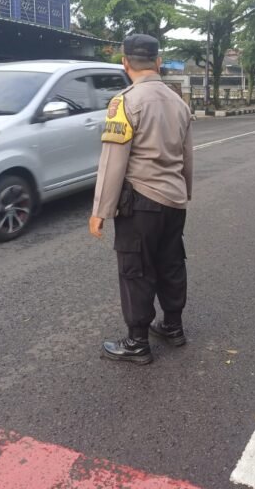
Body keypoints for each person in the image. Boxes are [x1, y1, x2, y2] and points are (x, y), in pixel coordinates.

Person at [89, 33, 194, 365]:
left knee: (135, 268)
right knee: (171, 262)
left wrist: (100, 210)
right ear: (158, 62)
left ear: (125, 63)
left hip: (141, 201)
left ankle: (137, 342)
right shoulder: (179, 102)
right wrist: (183, 192)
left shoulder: (125, 102)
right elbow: (187, 156)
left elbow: (113, 161)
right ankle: (173, 327)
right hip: (174, 200)